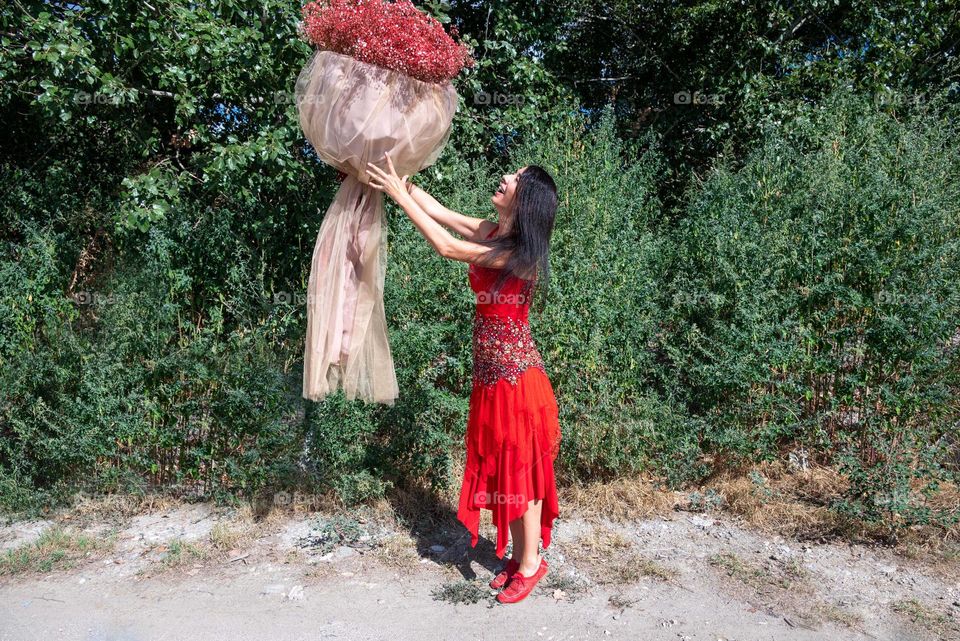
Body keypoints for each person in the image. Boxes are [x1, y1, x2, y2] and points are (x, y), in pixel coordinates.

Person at [366, 153, 561, 604]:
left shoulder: (519, 254)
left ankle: (530, 564)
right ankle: (519, 556)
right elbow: (438, 212)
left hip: (517, 379)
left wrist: (398, 195)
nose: (506, 176)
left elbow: (449, 247)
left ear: (526, 201)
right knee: (505, 470)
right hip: (492, 378)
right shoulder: (493, 231)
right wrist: (399, 182)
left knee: (522, 474)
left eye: (516, 178)